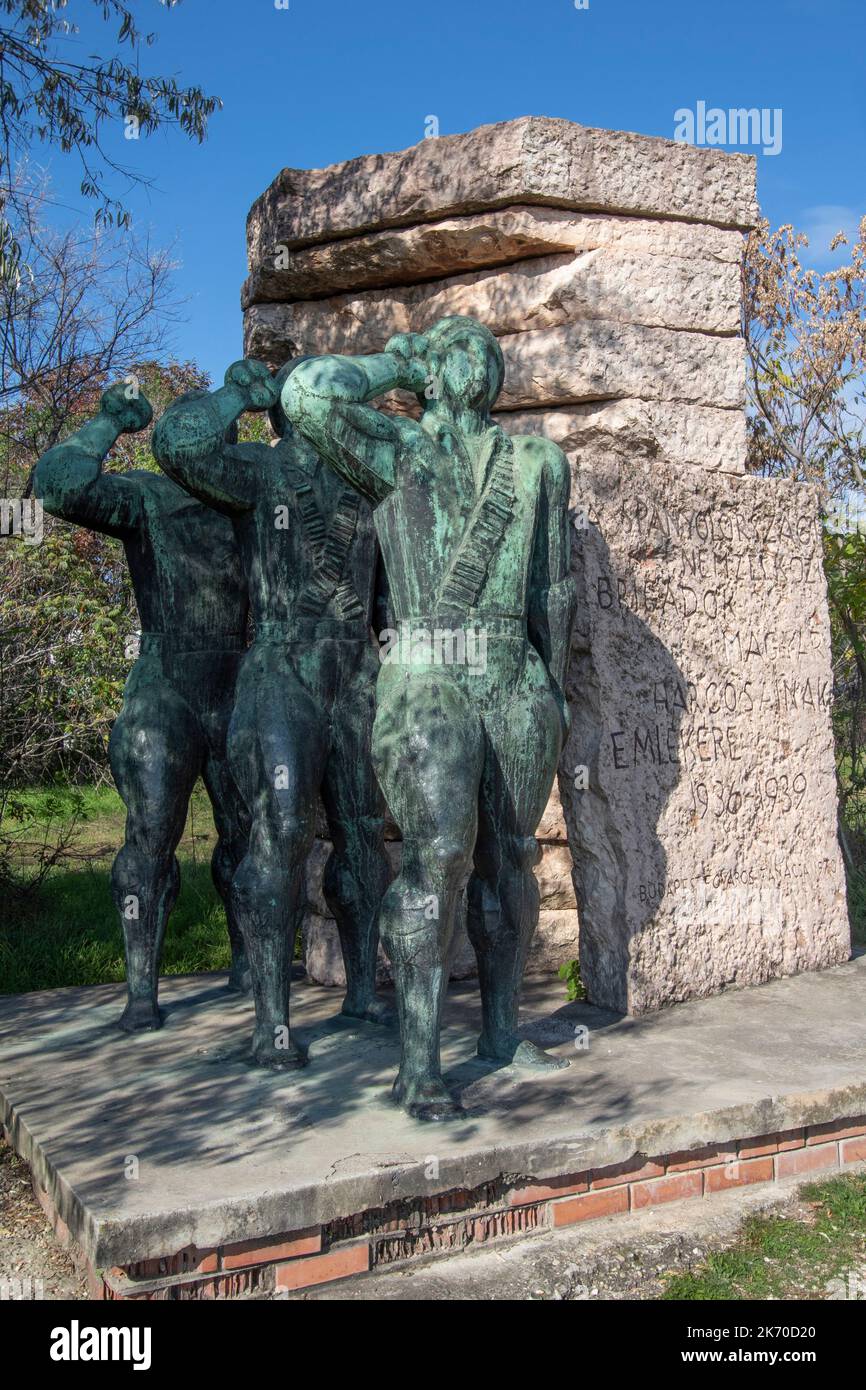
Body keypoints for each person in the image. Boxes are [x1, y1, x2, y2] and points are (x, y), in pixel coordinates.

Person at [285, 316, 577, 1119]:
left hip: (513, 670)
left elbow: (554, 584)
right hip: (425, 665)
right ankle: (418, 1064)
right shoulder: (397, 449)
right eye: (453, 346)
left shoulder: (539, 461)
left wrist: (551, 683)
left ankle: (501, 1032)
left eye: (484, 346)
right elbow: (305, 396)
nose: (474, 353)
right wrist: (390, 361)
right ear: (432, 374)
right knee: (440, 851)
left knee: (512, 857)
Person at [151, 359, 392, 1069]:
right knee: (280, 831)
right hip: (282, 669)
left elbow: (383, 596)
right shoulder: (260, 473)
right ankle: (270, 1020)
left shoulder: (369, 481)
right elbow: (179, 446)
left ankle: (364, 993)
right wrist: (236, 395)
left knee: (363, 835)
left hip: (355, 673)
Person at [33, 383, 251, 1032]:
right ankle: (140, 993)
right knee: (150, 840)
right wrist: (105, 423)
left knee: (249, 842)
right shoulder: (149, 498)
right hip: (166, 695)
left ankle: (250, 974)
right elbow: (58, 487)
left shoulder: (255, 506)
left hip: (240, 693)